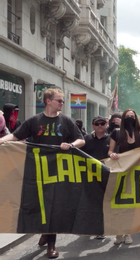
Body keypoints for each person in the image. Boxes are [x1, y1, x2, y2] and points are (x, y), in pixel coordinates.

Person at [0, 88, 85, 259]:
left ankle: (51, 245)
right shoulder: (34, 121)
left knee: (54, 205)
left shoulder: (66, 121)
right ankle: (45, 232)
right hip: (36, 170)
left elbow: (81, 139)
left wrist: (71, 145)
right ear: (48, 101)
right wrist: (1, 140)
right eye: (59, 100)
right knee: (39, 204)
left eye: (62, 100)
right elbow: (16, 136)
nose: (62, 103)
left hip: (58, 171)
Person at [108, 109, 140, 245]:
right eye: (128, 116)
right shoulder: (117, 133)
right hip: (119, 172)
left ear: (136, 119)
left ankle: (128, 232)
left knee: (131, 204)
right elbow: (110, 150)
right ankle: (119, 233)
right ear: (124, 118)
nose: (130, 118)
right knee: (118, 204)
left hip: (134, 173)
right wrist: (112, 154)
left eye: (132, 116)